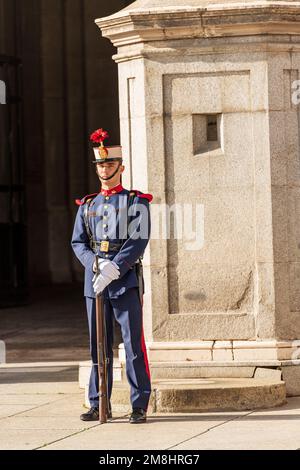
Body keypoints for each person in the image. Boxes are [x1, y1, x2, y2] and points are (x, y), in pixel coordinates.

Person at [71, 128, 152, 424]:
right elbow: (78, 242)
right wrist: (95, 265)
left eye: (109, 165)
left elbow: (138, 239)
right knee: (98, 346)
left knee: (132, 346)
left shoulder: (135, 202)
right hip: (95, 284)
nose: (104, 170)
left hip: (124, 282)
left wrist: (114, 267)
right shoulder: (88, 204)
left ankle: (139, 403)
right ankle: (98, 401)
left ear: (121, 167)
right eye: (100, 166)